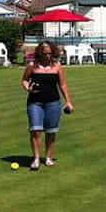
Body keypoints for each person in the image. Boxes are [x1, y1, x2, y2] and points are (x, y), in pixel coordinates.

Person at [21, 41, 74, 171]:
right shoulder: (32, 66)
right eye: (45, 54)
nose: (48, 56)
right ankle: (36, 159)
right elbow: (24, 80)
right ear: (39, 53)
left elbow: (62, 85)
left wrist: (68, 101)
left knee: (51, 131)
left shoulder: (57, 66)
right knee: (36, 130)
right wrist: (29, 88)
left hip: (53, 102)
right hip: (35, 102)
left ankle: (49, 157)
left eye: (50, 54)